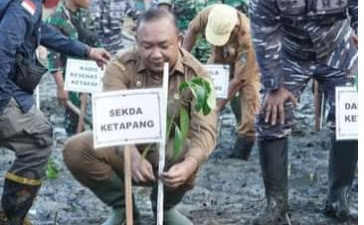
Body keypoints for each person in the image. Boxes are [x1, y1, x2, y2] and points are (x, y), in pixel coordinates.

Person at [63, 8, 217, 225]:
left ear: (179, 40)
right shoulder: (119, 66)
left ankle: (164, 207)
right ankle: (122, 207)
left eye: (164, 46)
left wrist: (190, 164)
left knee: (192, 151)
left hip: (170, 153)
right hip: (126, 149)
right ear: (136, 41)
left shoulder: (198, 75)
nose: (155, 54)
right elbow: (111, 120)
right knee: (77, 148)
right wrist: (132, 156)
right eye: (147, 46)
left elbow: (206, 128)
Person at [0, 0, 110, 224]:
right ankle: (11, 216)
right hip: (4, 90)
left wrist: (86, 51)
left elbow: (41, 30)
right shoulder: (25, 5)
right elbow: (3, 50)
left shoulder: (28, 8)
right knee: (38, 138)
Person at [249, 0, 358, 224]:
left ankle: (339, 198)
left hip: (339, 49)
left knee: (350, 116)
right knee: (271, 117)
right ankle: (276, 204)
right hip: (290, 54)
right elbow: (263, 32)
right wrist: (274, 85)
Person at [182, 4, 260, 160]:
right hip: (219, 58)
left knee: (250, 111)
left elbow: (238, 80)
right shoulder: (209, 13)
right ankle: (195, 139)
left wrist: (216, 107)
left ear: (235, 28)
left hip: (246, 67)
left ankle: (242, 150)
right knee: (203, 95)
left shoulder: (248, 37)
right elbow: (192, 31)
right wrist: (182, 59)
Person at [46, 0, 101, 135]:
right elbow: (53, 57)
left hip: (91, 74)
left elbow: (95, 42)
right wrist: (61, 87)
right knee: (74, 121)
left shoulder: (87, 16)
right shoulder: (56, 19)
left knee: (101, 114)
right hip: (71, 79)